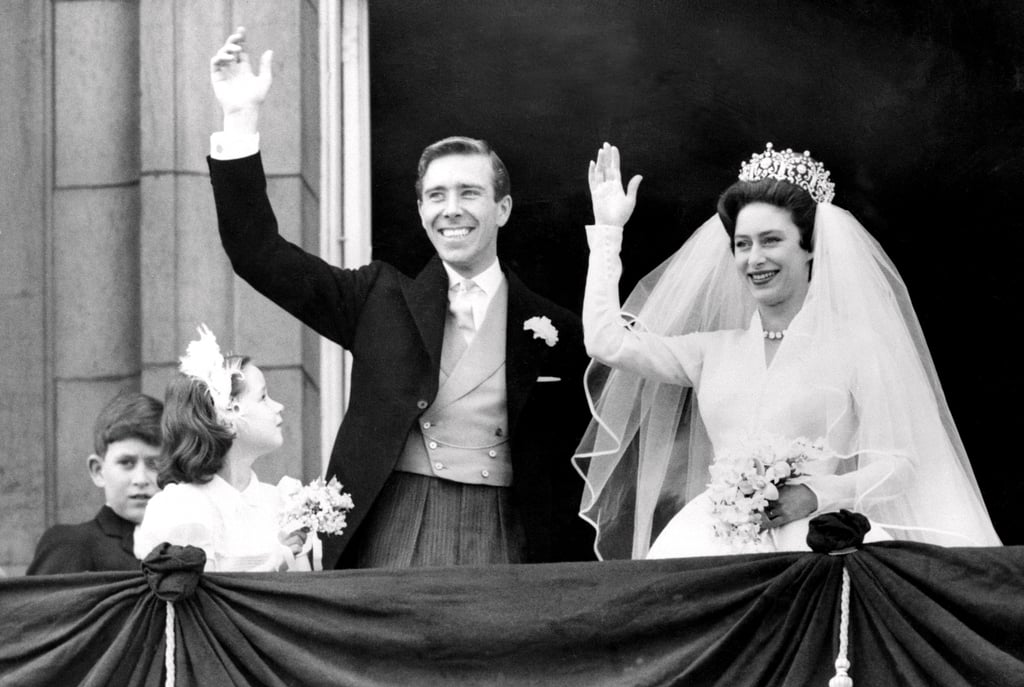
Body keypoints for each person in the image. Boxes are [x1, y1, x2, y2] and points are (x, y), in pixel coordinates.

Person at [204, 28, 594, 568]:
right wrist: (240, 118)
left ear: (503, 208)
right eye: (436, 195)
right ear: (420, 211)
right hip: (396, 524)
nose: (450, 209)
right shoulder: (378, 298)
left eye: (469, 193)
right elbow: (255, 252)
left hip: (510, 534)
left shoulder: (556, 328)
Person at [574, 142, 1003, 559]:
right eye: (743, 244)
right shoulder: (709, 351)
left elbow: (899, 464)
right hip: (714, 537)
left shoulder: (855, 348)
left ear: (810, 245)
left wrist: (818, 493)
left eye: (771, 240)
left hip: (818, 542)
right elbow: (606, 342)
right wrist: (608, 233)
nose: (754, 258)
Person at [134, 326, 319, 572]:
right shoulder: (181, 506)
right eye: (263, 397)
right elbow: (197, 602)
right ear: (226, 417)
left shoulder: (280, 502)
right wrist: (276, 563)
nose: (279, 406)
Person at [26, 392, 163, 575]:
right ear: (98, 470)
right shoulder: (71, 545)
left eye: (154, 464)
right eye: (126, 463)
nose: (141, 479)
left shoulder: (187, 546)